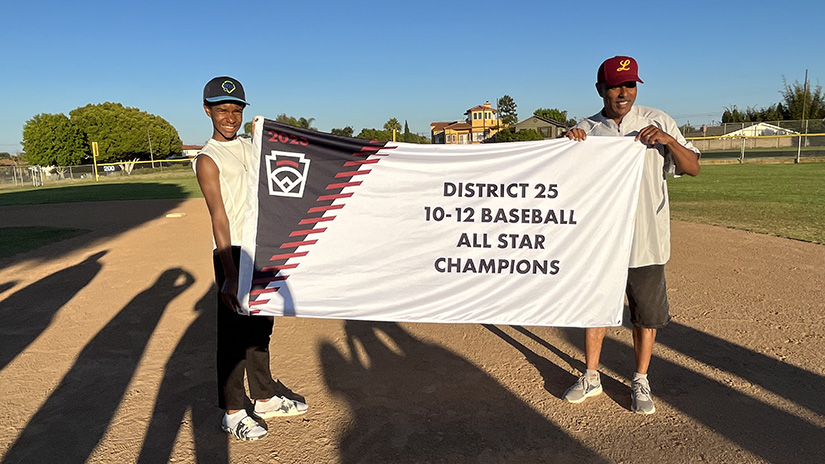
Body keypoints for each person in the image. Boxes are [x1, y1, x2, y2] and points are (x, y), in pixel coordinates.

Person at [563, 56, 700, 414]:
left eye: (629, 85)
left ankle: (640, 378)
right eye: (614, 86)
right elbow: (560, 179)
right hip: (600, 241)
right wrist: (568, 145)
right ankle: (592, 375)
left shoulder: (658, 120)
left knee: (646, 314)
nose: (622, 93)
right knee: (595, 309)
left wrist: (669, 140)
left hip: (647, 238)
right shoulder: (588, 129)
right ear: (600, 90)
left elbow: (693, 168)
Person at [195, 76, 308, 441]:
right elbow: (219, 217)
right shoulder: (207, 159)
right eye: (223, 109)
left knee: (261, 328)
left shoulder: (249, 145)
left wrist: (269, 131)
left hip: (262, 250)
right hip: (234, 253)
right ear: (208, 110)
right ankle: (232, 411)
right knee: (232, 334)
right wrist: (229, 272)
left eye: (237, 110)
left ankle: (263, 397)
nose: (230, 116)